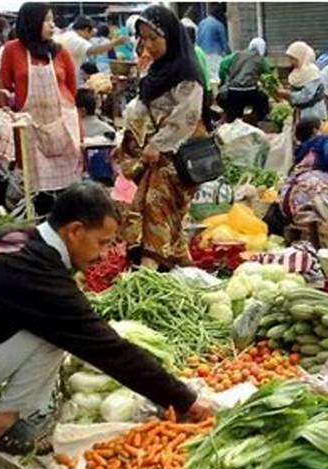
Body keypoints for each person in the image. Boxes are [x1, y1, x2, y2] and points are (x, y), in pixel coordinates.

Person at [0, 182, 213, 454]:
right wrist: (184, 399)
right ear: (74, 231)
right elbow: (111, 351)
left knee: (36, 326)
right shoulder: (39, 276)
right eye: (102, 242)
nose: (105, 254)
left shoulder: (16, 237)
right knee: (52, 336)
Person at [112, 5, 207, 270]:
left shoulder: (186, 71)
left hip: (178, 157)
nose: (148, 44)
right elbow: (142, 110)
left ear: (171, 37)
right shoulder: (156, 70)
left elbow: (187, 116)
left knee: (156, 209)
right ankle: (183, 269)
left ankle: (147, 271)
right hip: (156, 155)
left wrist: (158, 144)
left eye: (154, 38)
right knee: (164, 216)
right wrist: (127, 140)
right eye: (143, 38)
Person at [0, 2, 83, 216]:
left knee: (68, 193)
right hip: (31, 131)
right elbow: (4, 87)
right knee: (39, 195)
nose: (52, 25)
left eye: (52, 20)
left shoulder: (59, 52)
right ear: (32, 22)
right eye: (46, 20)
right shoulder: (11, 50)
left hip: (63, 127)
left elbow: (71, 88)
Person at [53, 16, 128, 85]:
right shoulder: (76, 40)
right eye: (90, 35)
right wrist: (116, 43)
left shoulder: (68, 35)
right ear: (86, 30)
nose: (90, 39)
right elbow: (94, 50)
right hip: (65, 78)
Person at [217, 37, 271, 122]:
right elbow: (268, 73)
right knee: (263, 99)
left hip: (233, 91)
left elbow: (223, 65)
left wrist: (223, 80)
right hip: (250, 92)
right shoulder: (260, 59)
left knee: (234, 117)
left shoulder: (236, 54)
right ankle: (257, 119)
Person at [278, 41, 327, 121]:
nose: (291, 62)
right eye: (290, 58)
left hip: (313, 113)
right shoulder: (297, 71)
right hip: (300, 113)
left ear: (301, 57)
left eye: (293, 59)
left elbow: (306, 96)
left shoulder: (311, 72)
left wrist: (288, 94)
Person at [196, 3, 230, 83]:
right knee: (216, 79)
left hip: (203, 54)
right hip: (215, 55)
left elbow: (198, 40)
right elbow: (224, 44)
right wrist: (230, 56)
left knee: (207, 79)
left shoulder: (201, 23)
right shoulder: (219, 25)